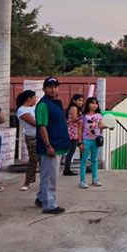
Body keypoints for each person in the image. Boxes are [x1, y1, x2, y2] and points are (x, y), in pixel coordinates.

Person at [35, 77, 70, 214]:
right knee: (50, 177)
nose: (53, 89)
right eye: (50, 87)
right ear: (44, 89)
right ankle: (49, 204)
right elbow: (42, 126)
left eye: (55, 86)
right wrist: (48, 145)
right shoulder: (43, 105)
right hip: (51, 146)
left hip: (58, 144)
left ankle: (41, 198)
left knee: (47, 174)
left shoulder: (55, 103)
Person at [78, 97, 108, 189]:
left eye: (96, 103)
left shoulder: (99, 115)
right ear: (88, 104)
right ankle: (82, 181)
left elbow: (101, 125)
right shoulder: (83, 116)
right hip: (86, 140)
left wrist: (108, 126)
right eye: (92, 103)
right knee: (84, 160)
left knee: (94, 160)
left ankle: (95, 179)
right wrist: (80, 142)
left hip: (96, 140)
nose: (94, 105)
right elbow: (80, 129)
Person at [16, 90, 39, 191]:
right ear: (29, 98)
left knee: (43, 159)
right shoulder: (21, 110)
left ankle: (41, 180)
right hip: (31, 136)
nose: (36, 99)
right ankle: (27, 182)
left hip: (41, 135)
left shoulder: (35, 108)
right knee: (33, 159)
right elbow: (34, 123)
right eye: (34, 97)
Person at [63, 94, 84, 176]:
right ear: (74, 101)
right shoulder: (74, 108)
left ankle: (83, 167)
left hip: (75, 132)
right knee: (71, 151)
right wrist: (83, 116)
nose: (81, 102)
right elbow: (74, 118)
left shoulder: (76, 108)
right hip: (73, 133)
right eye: (79, 100)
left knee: (79, 149)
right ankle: (67, 169)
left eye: (82, 100)